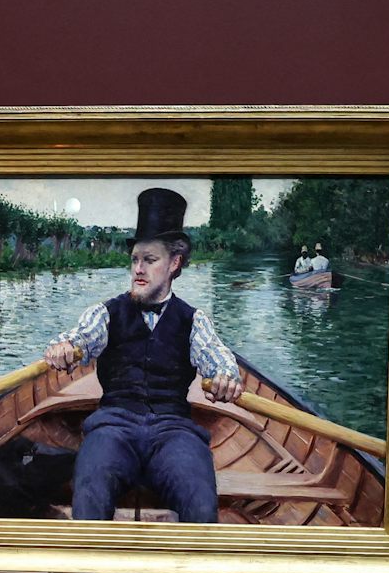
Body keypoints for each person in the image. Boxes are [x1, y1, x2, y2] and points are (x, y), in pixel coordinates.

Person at [42, 187, 243, 522]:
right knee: (90, 489)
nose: (138, 269)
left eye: (149, 260)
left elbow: (220, 362)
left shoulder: (194, 320)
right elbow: (77, 340)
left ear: (174, 263)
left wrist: (225, 379)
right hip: (113, 426)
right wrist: (62, 348)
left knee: (200, 498)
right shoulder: (105, 313)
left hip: (174, 430)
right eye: (135, 260)